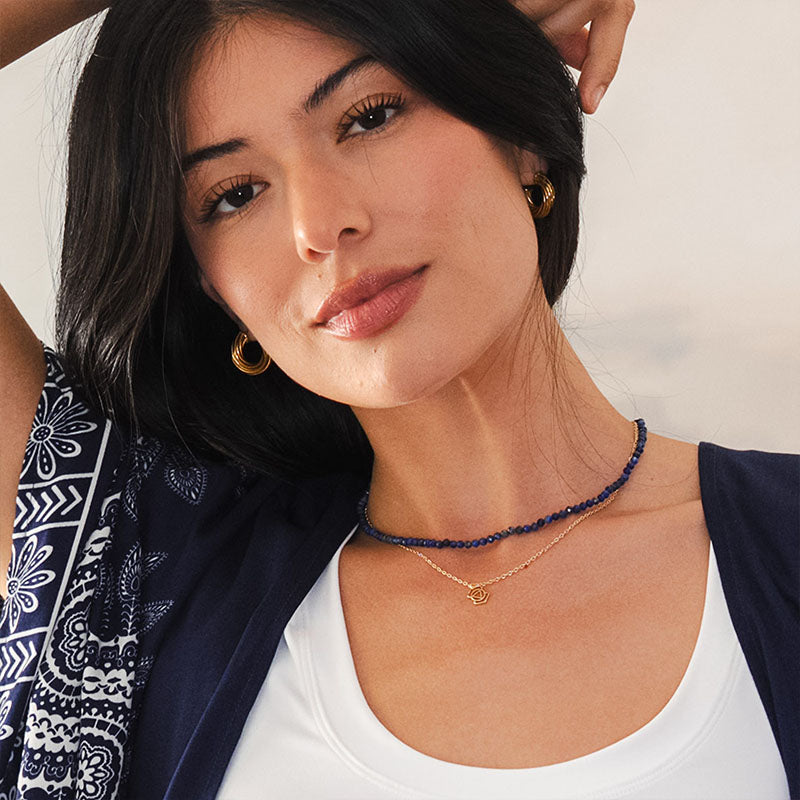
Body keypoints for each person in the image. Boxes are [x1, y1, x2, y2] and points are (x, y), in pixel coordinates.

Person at [0, 1, 797, 799]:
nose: (320, 225)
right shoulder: (134, 578)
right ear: (211, 287)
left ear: (518, 132)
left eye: (368, 118)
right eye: (235, 194)